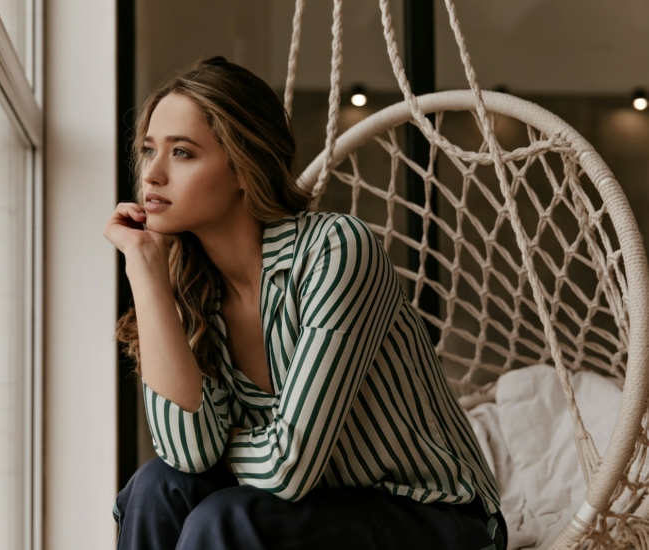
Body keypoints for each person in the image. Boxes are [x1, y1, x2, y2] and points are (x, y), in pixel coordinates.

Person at [105, 56, 507, 550]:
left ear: (242, 166)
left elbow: (289, 466)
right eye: (149, 151)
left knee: (225, 520)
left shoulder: (336, 250)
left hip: (435, 517)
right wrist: (146, 272)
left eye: (182, 153)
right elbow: (186, 454)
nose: (153, 175)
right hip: (306, 509)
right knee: (155, 489)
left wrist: (228, 445)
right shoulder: (192, 287)